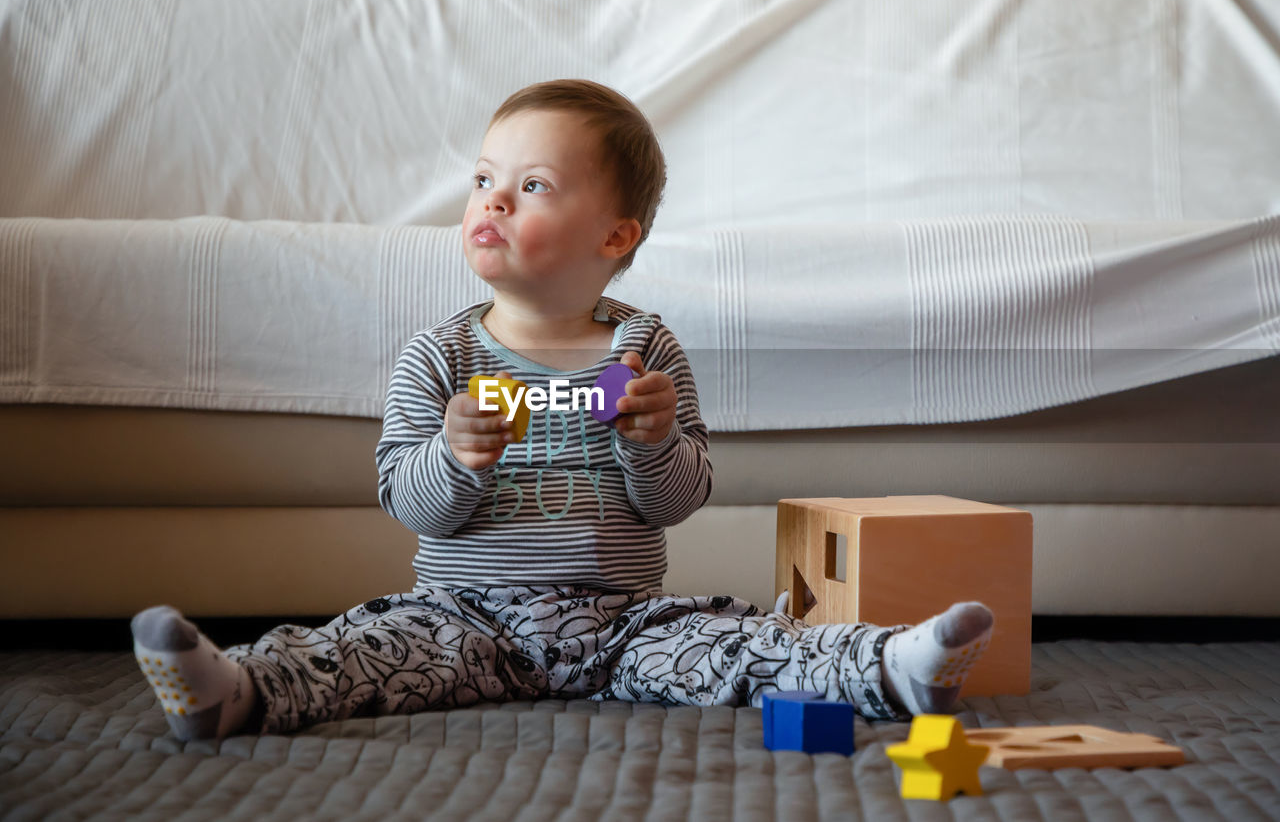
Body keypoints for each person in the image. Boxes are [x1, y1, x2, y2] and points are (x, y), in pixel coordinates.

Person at [131, 79, 994, 741]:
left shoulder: (643, 348)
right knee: (360, 652)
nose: (493, 200)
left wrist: (652, 441)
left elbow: (676, 502)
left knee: (738, 644)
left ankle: (890, 666)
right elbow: (405, 500)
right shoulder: (441, 357)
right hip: (462, 616)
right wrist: (455, 454)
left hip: (622, 619)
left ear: (615, 236)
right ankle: (232, 689)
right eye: (483, 179)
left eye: (533, 184)